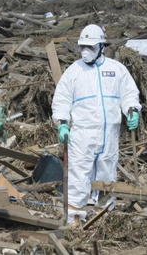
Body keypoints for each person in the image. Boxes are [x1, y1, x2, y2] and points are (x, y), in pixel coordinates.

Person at [51, 24, 141, 225]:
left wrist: (132, 110)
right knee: (79, 176)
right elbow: (62, 100)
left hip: (109, 134)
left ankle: (104, 217)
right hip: (82, 134)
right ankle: (75, 217)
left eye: (90, 47)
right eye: (83, 46)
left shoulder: (116, 70)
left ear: (101, 46)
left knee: (107, 175)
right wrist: (62, 123)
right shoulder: (74, 72)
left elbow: (129, 94)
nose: (85, 51)